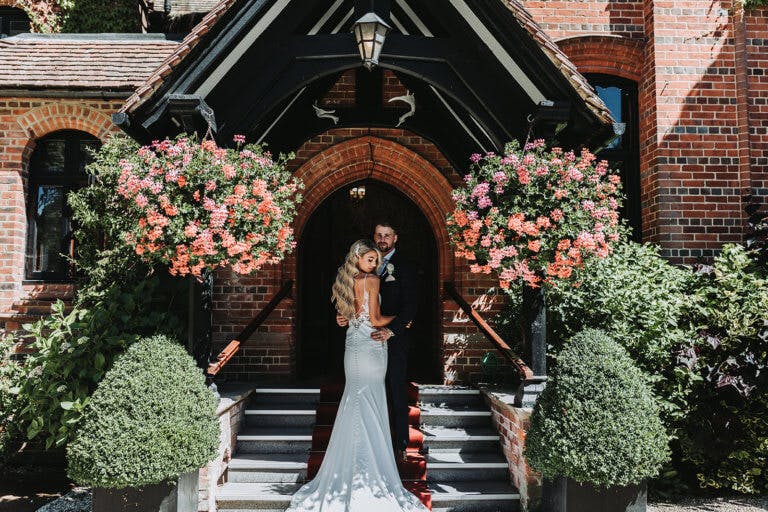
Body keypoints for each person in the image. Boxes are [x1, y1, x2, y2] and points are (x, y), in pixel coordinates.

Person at [285, 240, 428, 512]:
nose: (375, 264)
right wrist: (398, 320)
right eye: (370, 259)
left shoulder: (348, 280)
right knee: (371, 403)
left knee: (354, 402)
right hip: (372, 347)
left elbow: (349, 316)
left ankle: (348, 467)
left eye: (376, 260)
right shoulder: (372, 281)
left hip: (353, 347)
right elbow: (374, 319)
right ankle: (370, 470)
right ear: (358, 259)